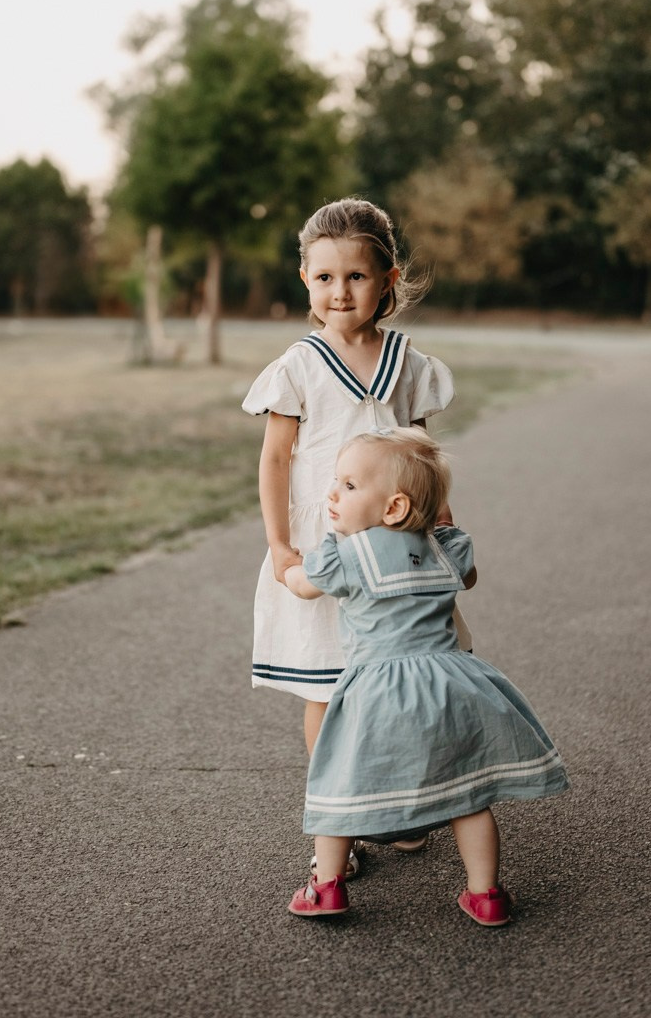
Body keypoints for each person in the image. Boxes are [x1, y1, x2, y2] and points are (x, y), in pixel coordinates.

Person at [242, 198, 467, 874]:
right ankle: (336, 822)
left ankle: (394, 808)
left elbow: (422, 454)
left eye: (357, 277)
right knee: (330, 689)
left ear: (388, 278)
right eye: (324, 278)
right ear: (305, 280)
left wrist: (442, 517)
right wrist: (283, 546)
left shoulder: (407, 362)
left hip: (397, 550)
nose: (340, 292)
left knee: (398, 681)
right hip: (328, 546)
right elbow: (276, 459)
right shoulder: (301, 365)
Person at [282, 428, 570, 923]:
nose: (332, 492)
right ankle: (486, 893)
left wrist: (285, 566)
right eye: (336, 481)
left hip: (378, 689)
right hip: (452, 682)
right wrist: (437, 516)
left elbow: (304, 587)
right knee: (468, 794)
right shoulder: (444, 550)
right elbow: (469, 575)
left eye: (349, 486)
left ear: (393, 508)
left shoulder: (348, 555)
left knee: (342, 782)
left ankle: (326, 888)